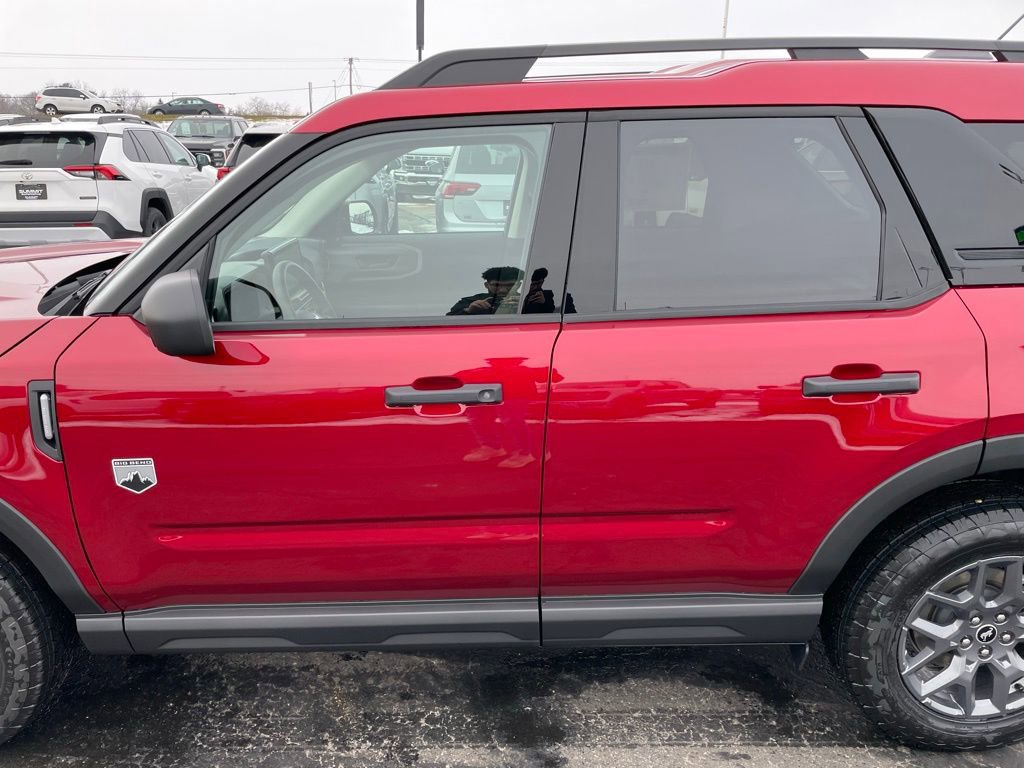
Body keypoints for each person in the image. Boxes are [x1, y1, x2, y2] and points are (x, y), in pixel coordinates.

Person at [447, 266, 525, 316]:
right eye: (496, 285)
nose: (503, 290)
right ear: (486, 285)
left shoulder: (527, 301)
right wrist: (468, 311)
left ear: (518, 285)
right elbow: (448, 322)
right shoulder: (469, 302)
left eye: (509, 285)